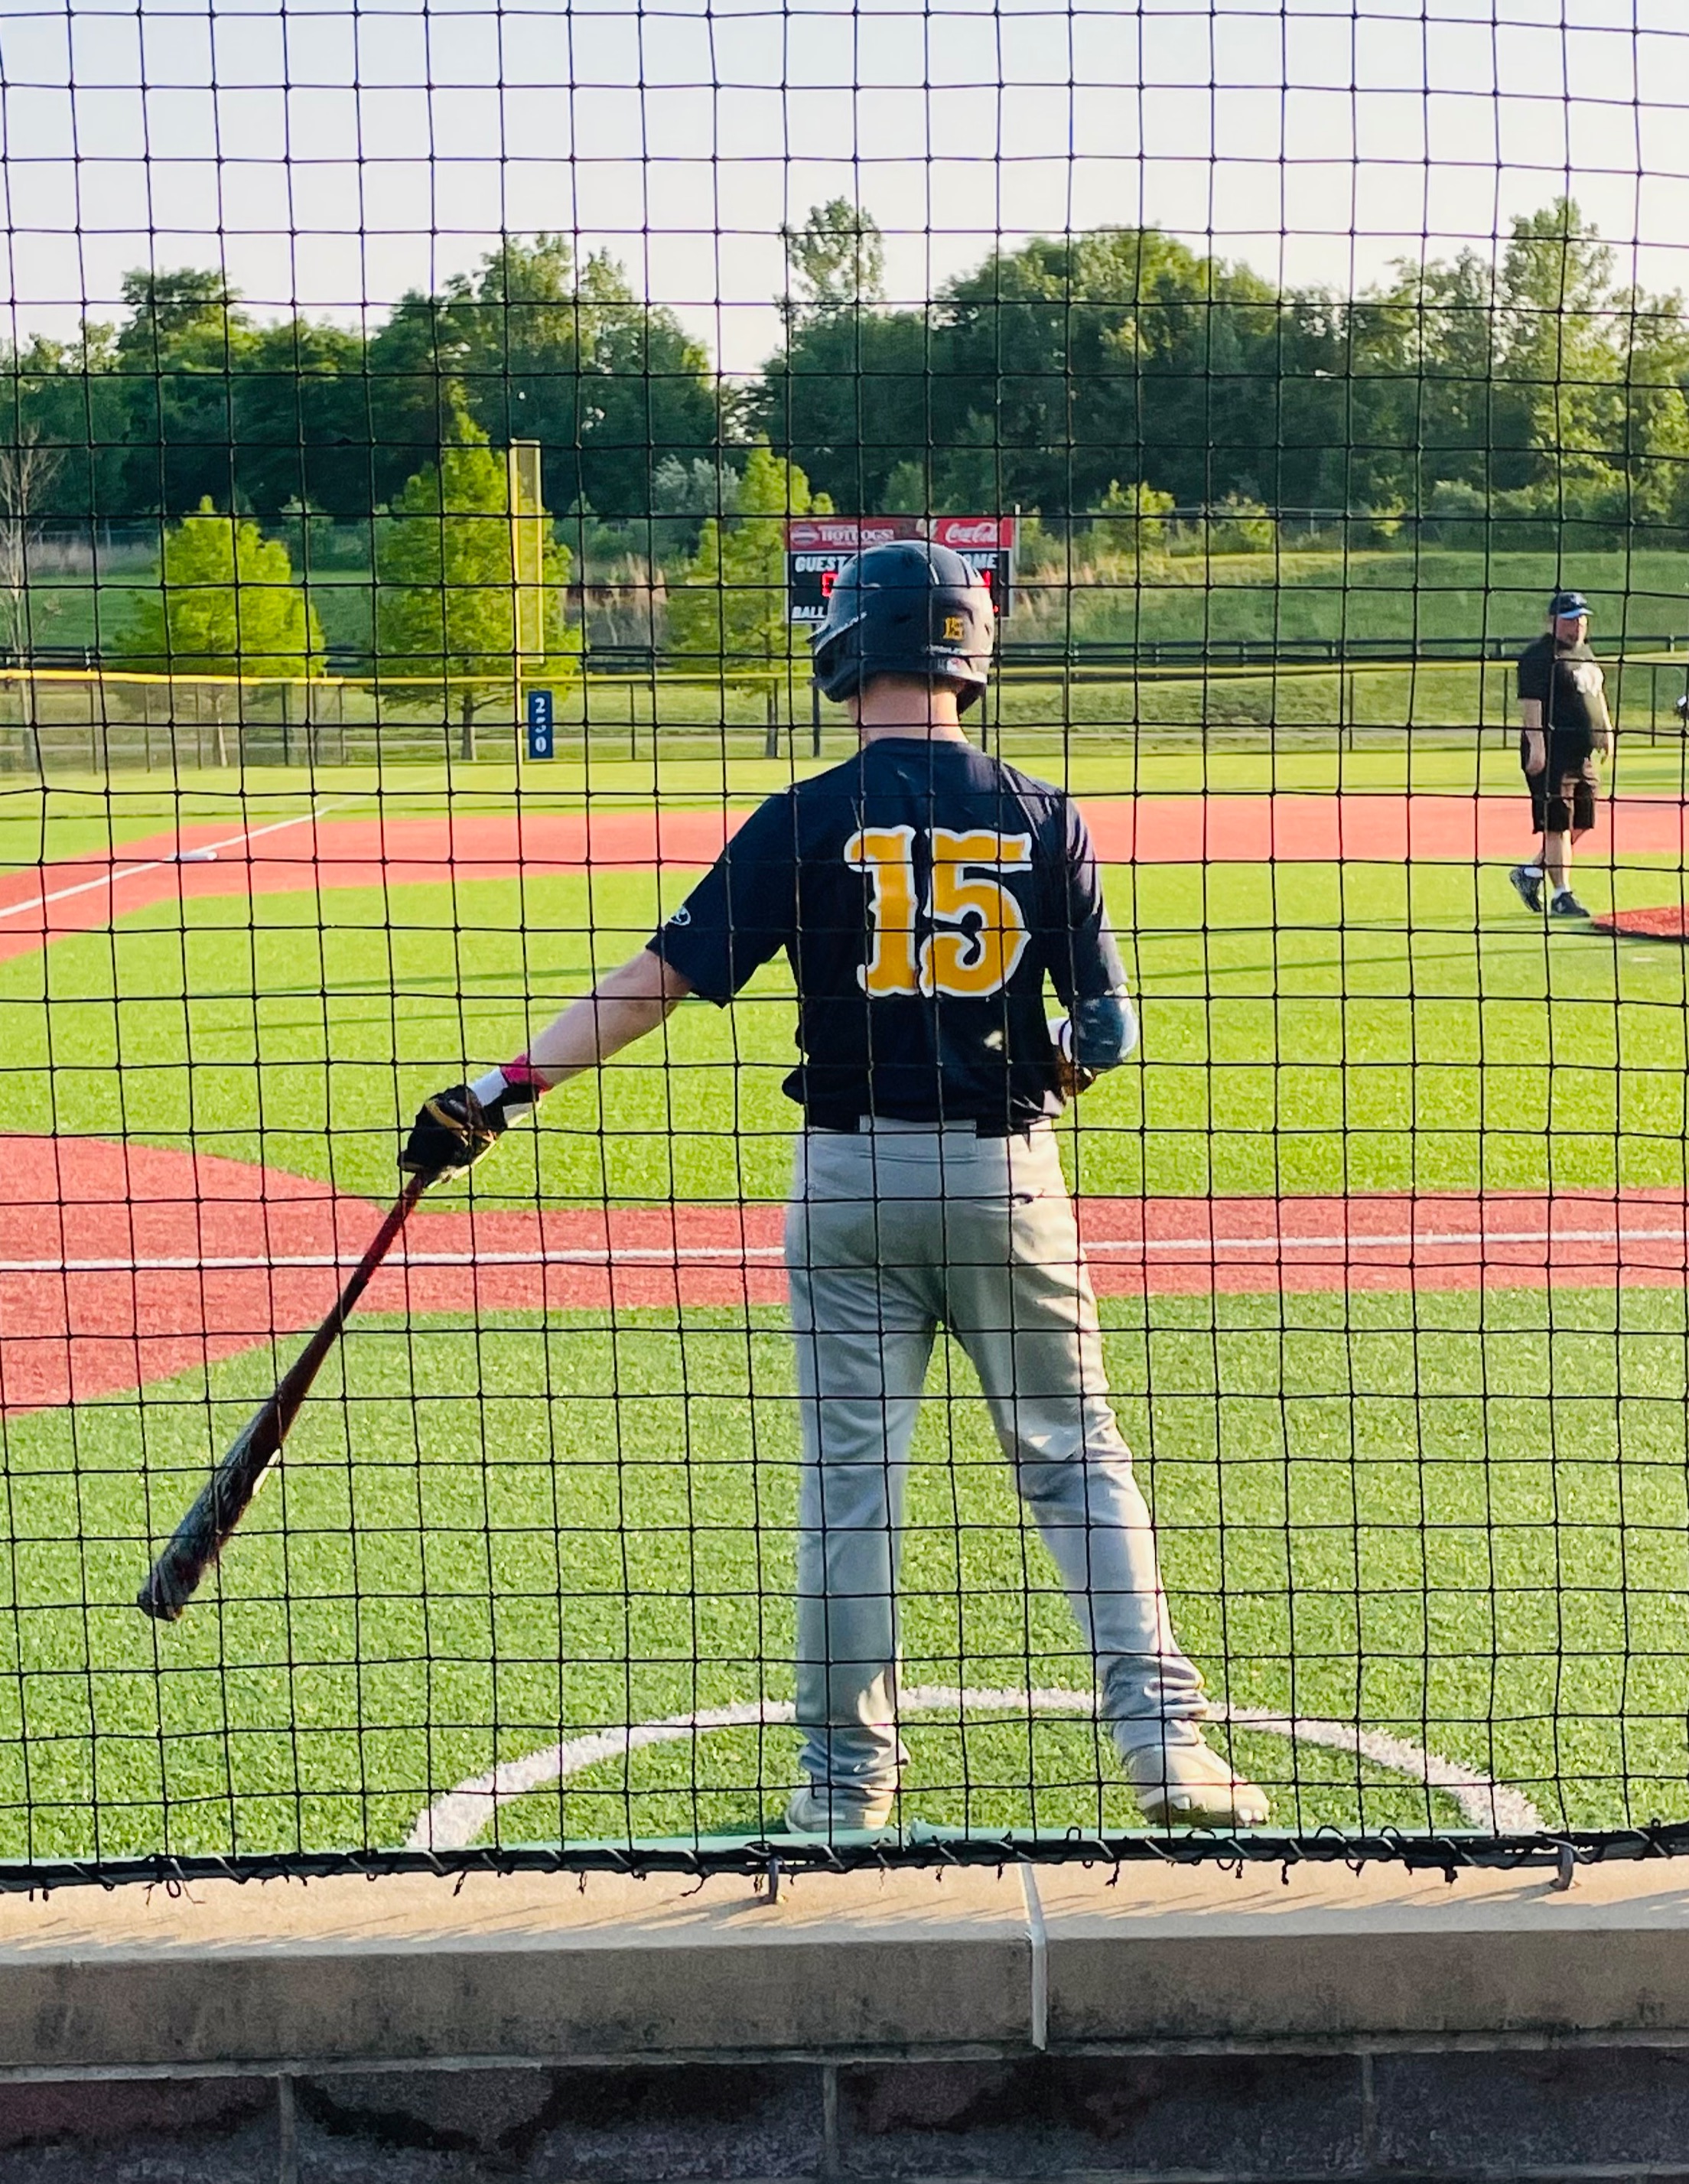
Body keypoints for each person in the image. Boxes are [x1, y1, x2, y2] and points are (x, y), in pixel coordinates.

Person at [401, 540, 1267, 1837]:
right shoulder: (1043, 813)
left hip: (849, 1181)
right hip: (1004, 1179)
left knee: (849, 1486)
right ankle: (1165, 1746)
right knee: (1075, 1457)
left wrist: (502, 1088)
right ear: (970, 654)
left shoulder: (804, 815)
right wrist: (1054, 1064)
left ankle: (844, 1782)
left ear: (847, 647)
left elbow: (656, 982)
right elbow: (1106, 1031)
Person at [1509, 590, 1613, 919]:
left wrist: (1606, 730)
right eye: (1570, 620)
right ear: (1552, 621)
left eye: (1581, 619)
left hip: (1581, 754)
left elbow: (1597, 692)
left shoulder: (1584, 652)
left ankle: (1530, 872)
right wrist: (1537, 746)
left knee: (1582, 821)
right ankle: (1561, 894)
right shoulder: (1539, 656)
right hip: (1553, 753)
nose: (1577, 625)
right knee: (1557, 824)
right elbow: (1532, 704)